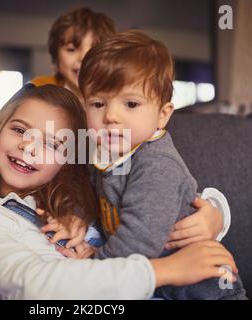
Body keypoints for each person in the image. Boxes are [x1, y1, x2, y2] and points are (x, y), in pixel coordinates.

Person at [0, 84, 237, 300]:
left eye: (52, 145)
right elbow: (31, 287)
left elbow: (161, 193)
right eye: (20, 130)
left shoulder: (89, 196)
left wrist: (214, 215)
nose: (28, 147)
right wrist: (168, 270)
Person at [46, 30, 248, 299]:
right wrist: (77, 216)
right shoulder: (104, 152)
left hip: (206, 289)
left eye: (130, 104)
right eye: (98, 103)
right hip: (154, 285)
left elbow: (138, 241)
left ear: (162, 115)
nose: (111, 116)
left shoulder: (156, 164)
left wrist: (92, 268)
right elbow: (92, 191)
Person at [31, 7, 116, 102]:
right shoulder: (38, 90)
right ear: (56, 60)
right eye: (71, 49)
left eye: (95, 50)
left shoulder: (122, 94)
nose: (84, 58)